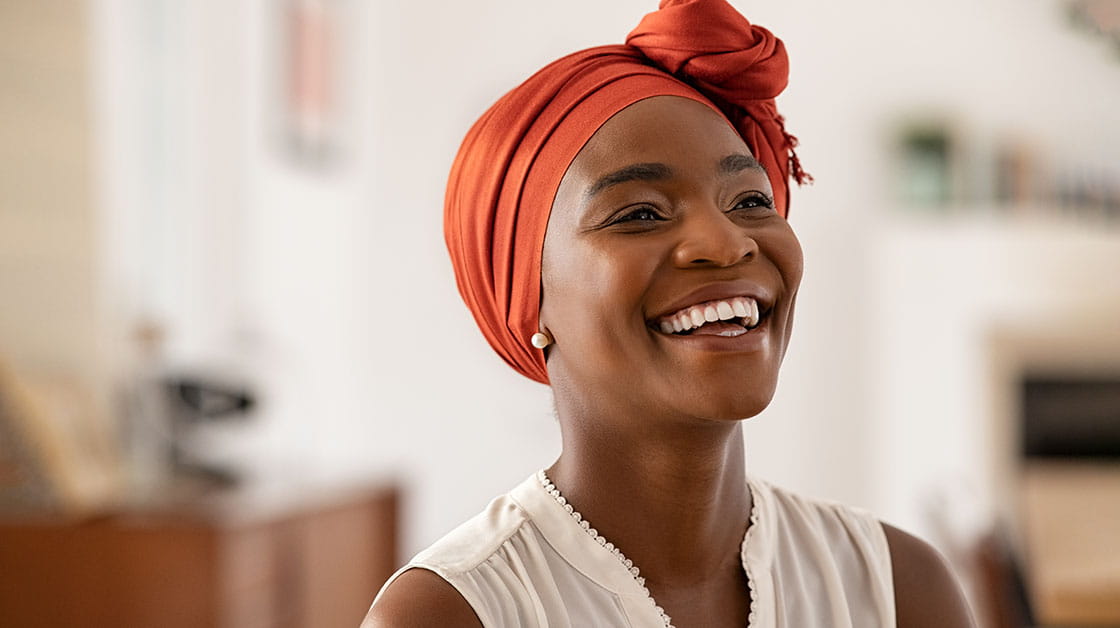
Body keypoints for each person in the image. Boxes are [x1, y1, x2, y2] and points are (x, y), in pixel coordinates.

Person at [365, 1, 976, 626]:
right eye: (640, 213)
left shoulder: (898, 589)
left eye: (749, 199)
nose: (727, 242)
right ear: (528, 299)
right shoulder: (452, 614)